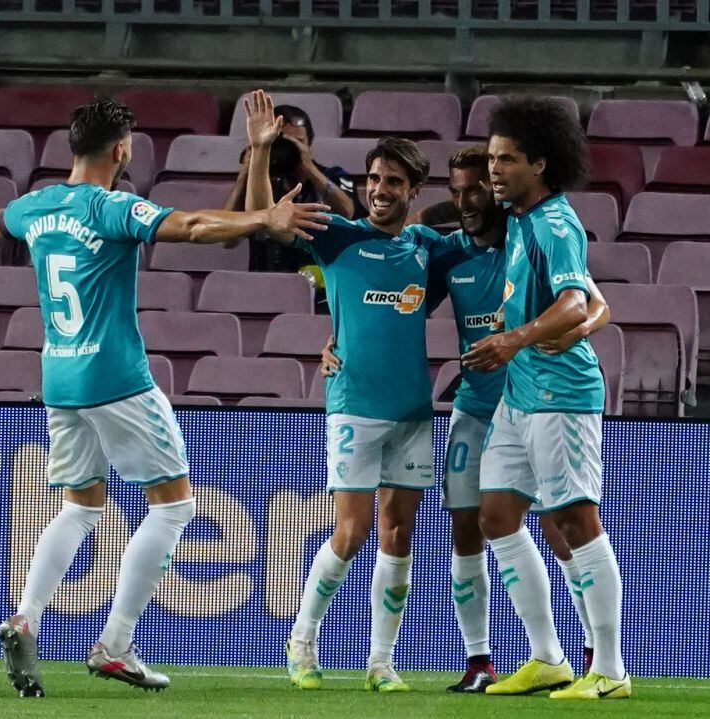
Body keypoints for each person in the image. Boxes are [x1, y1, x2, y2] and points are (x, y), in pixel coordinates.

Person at [0, 99, 329, 697]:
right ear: (121, 151)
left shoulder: (39, 206)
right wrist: (265, 221)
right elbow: (194, 227)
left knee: (81, 505)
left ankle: (26, 614)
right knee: (174, 504)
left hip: (59, 379)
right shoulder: (111, 207)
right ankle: (116, 644)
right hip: (116, 376)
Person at [322, 145, 611, 692]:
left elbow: (596, 305)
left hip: (536, 399)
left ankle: (594, 650)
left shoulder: (532, 237)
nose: (465, 202)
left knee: (557, 523)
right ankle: (481, 659)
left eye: (475, 189)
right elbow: (383, 308)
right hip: (477, 408)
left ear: (497, 189)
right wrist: (335, 341)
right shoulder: (448, 253)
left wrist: (576, 330)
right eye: (455, 193)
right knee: (471, 525)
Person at [242, 90, 438, 693]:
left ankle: (381, 662)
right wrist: (258, 155)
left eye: (394, 181)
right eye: (375, 178)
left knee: (399, 534)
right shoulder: (339, 237)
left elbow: (492, 251)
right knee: (351, 534)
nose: (381, 189)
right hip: (353, 405)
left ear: (412, 192)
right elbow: (264, 219)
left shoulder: (431, 250)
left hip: (412, 411)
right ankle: (301, 642)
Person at [462, 95, 631, 700]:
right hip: (520, 394)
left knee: (574, 520)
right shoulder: (523, 221)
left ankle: (610, 670)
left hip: (561, 394)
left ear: (540, 163)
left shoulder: (556, 223)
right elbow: (595, 305)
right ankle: (549, 658)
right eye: (491, 157)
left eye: (506, 159)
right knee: (497, 516)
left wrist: (516, 338)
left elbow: (576, 302)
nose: (494, 170)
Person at [225, 103, 366, 273]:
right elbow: (228, 240)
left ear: (310, 143)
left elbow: (348, 213)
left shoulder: (334, 176)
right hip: (266, 286)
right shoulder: (259, 187)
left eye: (298, 142)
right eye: (281, 143)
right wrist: (247, 172)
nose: (289, 150)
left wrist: (310, 169)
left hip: (320, 289)